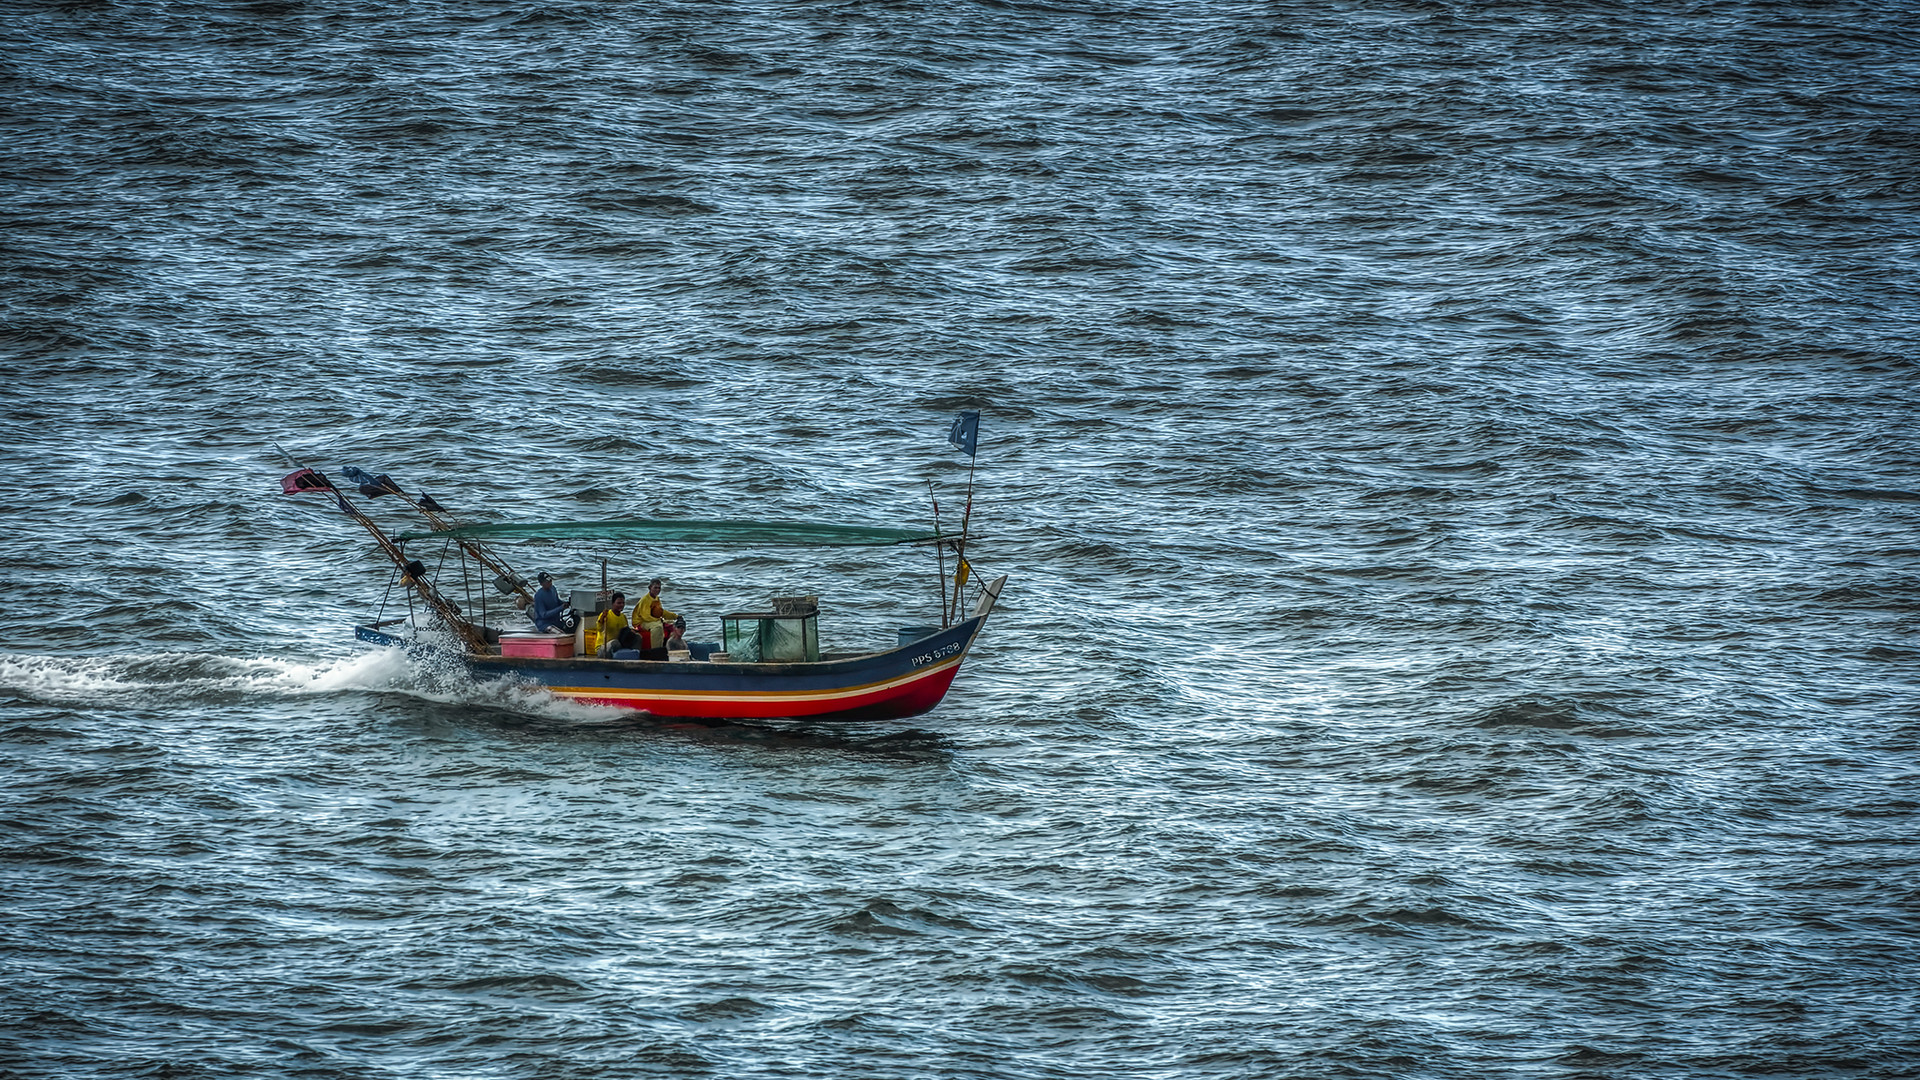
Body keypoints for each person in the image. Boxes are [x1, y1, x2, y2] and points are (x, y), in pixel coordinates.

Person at [633, 577, 684, 659]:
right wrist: (659, 621)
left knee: (672, 625)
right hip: (641, 622)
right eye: (655, 588)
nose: (657, 590)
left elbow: (661, 612)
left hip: (652, 620)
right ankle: (656, 651)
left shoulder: (656, 599)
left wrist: (675, 616)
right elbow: (645, 616)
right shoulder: (645, 600)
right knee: (657, 627)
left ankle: (670, 648)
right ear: (650, 588)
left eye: (659, 588)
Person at [594, 591, 630, 656]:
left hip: (618, 646)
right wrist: (602, 618)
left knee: (637, 637)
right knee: (615, 642)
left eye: (623, 603)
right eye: (619, 603)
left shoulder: (623, 617)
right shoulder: (606, 615)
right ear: (612, 603)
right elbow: (599, 629)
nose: (621, 605)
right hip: (603, 648)